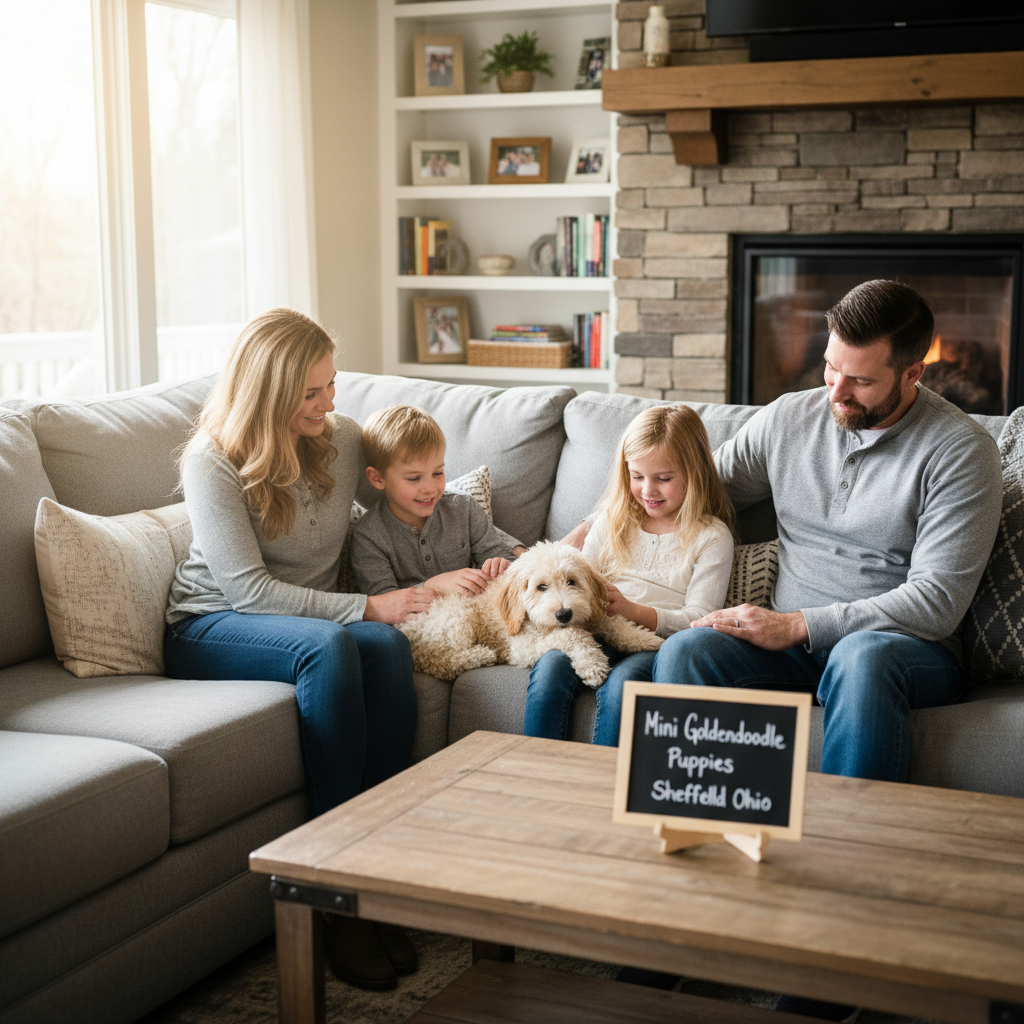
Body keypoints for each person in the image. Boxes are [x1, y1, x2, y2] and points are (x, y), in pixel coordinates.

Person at [647, 280, 1004, 1019]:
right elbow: (696, 492)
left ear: (914, 372)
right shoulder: (789, 419)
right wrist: (598, 534)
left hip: (908, 650)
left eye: (860, 379)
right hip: (789, 642)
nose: (836, 389)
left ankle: (839, 933)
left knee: (862, 656)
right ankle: (689, 917)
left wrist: (803, 626)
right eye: (830, 367)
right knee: (690, 654)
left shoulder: (961, 451)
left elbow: (936, 603)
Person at [164, 309, 434, 993]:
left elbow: (415, 482)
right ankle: (330, 894)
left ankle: (375, 876)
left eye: (331, 385)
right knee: (339, 646)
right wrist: (365, 606)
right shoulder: (212, 461)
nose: (330, 403)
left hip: (308, 624)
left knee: (386, 650)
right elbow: (248, 592)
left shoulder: (341, 440)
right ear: (269, 392)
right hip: (211, 625)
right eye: (312, 393)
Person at [523, 405, 735, 746]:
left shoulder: (712, 536)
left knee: (623, 688)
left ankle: (609, 788)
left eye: (663, 478)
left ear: (694, 473)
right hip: (596, 631)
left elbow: (700, 619)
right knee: (550, 670)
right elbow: (581, 577)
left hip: (653, 646)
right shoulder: (613, 521)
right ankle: (537, 774)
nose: (648, 489)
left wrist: (632, 610)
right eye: (637, 476)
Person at [351, 404, 527, 598]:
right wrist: (432, 585)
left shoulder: (463, 508)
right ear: (377, 478)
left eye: (438, 473)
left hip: (473, 610)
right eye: (414, 478)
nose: (430, 488)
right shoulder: (368, 536)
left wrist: (499, 564)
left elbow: (501, 555)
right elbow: (382, 602)